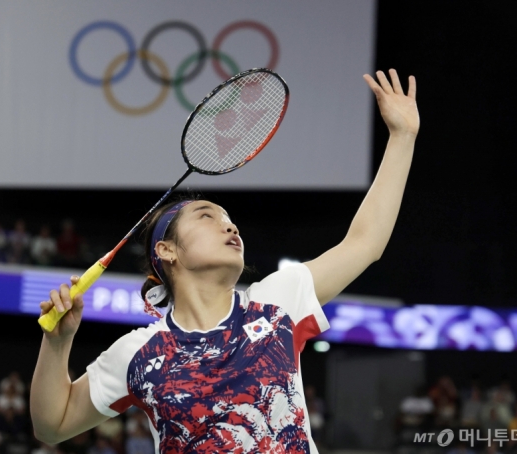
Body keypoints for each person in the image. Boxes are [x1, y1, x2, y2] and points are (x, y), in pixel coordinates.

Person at [30, 69, 420, 452]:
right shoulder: (139, 354)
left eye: (231, 221)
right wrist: (57, 341)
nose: (230, 227)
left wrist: (403, 137)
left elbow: (365, 243)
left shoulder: (276, 303)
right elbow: (53, 426)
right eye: (207, 216)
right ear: (166, 251)